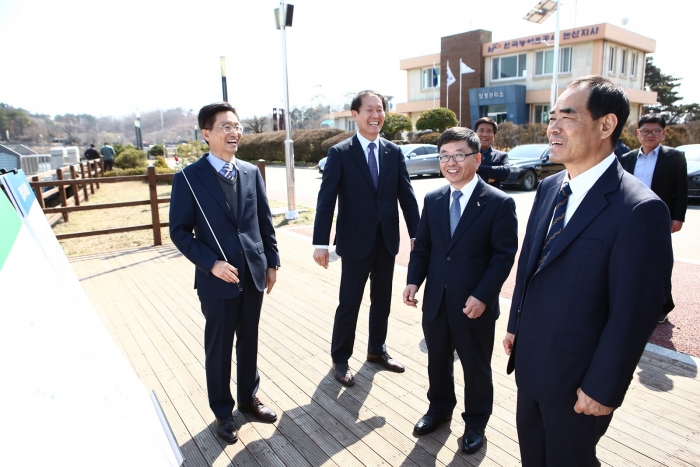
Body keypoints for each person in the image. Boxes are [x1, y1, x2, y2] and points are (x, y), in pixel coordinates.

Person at [503, 76, 673, 466]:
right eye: (551, 117)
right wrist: (516, 323)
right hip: (530, 365)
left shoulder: (640, 209)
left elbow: (634, 312)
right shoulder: (549, 189)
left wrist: (604, 386)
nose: (553, 127)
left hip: (579, 381)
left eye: (567, 116)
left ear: (606, 125)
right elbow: (531, 263)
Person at [169, 102, 280, 444]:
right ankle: (222, 411)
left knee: (250, 339)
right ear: (206, 134)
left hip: (254, 272)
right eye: (225, 127)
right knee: (219, 347)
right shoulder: (188, 178)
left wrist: (272, 262)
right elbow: (179, 231)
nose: (234, 132)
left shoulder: (249, 172)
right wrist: (211, 263)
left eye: (237, 126)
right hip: (217, 279)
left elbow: (264, 221)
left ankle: (248, 399)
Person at [403, 127, 517, 454]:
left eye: (458, 155)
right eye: (444, 156)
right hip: (436, 302)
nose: (450, 162)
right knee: (437, 362)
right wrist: (413, 280)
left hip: (474, 305)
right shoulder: (434, 199)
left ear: (477, 159)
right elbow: (423, 247)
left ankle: (476, 422)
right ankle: (439, 409)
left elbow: (503, 257)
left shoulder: (499, 203)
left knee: (475, 368)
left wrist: (483, 295)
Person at [313, 90, 420, 387]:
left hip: (386, 239)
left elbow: (407, 198)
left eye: (381, 110)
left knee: (382, 301)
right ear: (355, 115)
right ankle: (340, 357)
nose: (377, 115)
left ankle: (377, 350)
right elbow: (326, 200)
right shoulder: (340, 153)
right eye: (370, 110)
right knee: (349, 302)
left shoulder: (393, 152)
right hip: (355, 241)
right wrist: (320, 242)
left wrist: (418, 235)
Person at [620, 114, 688, 323]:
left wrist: (677, 218)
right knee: (629, 260)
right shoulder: (627, 158)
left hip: (660, 218)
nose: (650, 135)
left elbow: (681, 190)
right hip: (630, 219)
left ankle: (663, 305)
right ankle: (631, 302)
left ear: (663, 133)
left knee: (659, 262)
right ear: (638, 133)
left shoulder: (675, 157)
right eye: (645, 131)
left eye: (655, 131)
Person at [474, 117, 510, 189]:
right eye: (481, 130)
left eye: (489, 131)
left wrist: (478, 168)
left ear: (494, 135)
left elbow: (505, 172)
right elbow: (463, 175)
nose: (485, 134)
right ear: (475, 133)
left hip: (492, 199)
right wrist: (486, 179)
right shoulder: (468, 154)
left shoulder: (501, 156)